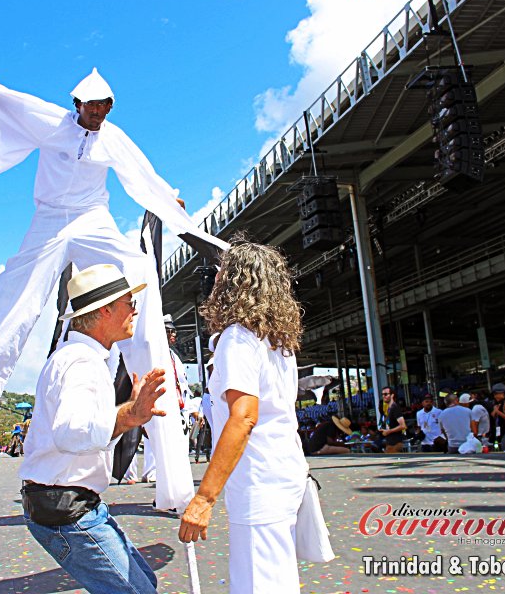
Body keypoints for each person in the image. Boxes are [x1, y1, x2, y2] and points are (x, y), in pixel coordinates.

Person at [19, 264, 167, 593]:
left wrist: (126, 415)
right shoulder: (80, 362)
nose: (134, 310)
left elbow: (81, 433)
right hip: (67, 512)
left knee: (146, 583)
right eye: (130, 303)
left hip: (70, 506)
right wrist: (129, 415)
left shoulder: (79, 358)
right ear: (105, 310)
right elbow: (72, 433)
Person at [178, 242, 309, 593]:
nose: (215, 277)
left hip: (259, 481)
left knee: (258, 584)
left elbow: (244, 417)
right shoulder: (278, 341)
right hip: (284, 471)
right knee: (277, 579)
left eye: (222, 271)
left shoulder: (237, 338)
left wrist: (204, 498)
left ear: (233, 281)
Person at [380, 386, 406, 453]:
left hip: (395, 443)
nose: (383, 396)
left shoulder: (395, 408)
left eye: (386, 394)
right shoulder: (389, 409)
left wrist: (389, 431)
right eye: (382, 394)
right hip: (390, 443)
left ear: (392, 395)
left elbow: (403, 425)